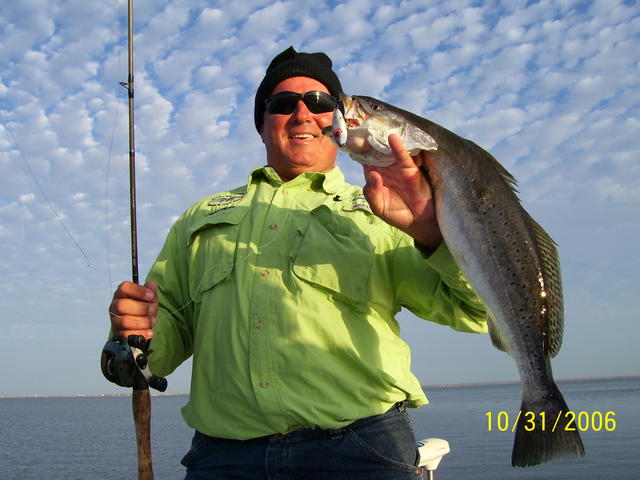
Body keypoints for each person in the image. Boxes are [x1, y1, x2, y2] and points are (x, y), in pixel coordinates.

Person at [108, 46, 488, 479]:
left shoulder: (386, 210)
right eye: (283, 104)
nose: (303, 113)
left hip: (361, 450)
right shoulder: (200, 217)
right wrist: (136, 333)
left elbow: (477, 311)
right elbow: (163, 341)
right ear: (263, 123)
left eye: (322, 103)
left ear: (342, 121)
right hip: (223, 458)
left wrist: (430, 234)